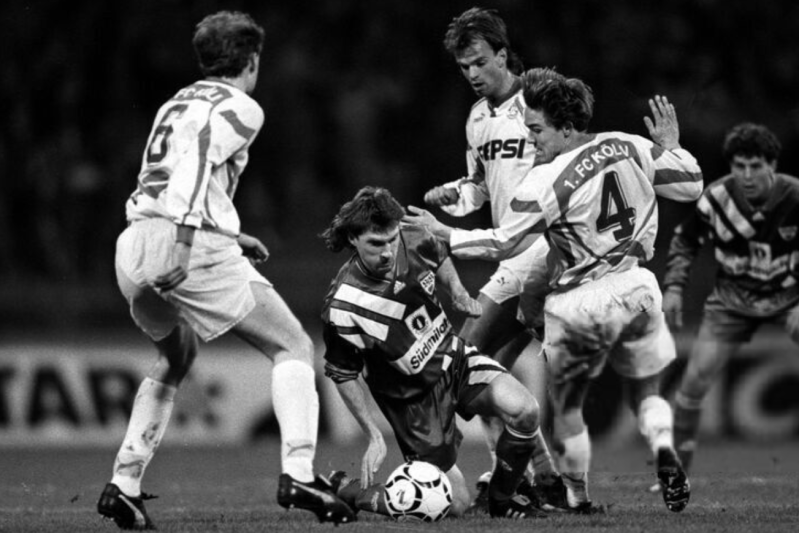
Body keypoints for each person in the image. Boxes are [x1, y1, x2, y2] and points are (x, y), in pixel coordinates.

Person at [96, 11, 355, 529]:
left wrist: (230, 234)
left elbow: (165, 177)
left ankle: (123, 483)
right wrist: (185, 246)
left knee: (177, 355)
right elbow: (193, 168)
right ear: (252, 60)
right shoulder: (242, 106)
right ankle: (299, 473)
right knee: (293, 345)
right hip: (183, 243)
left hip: (134, 243)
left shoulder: (178, 101)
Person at [405, 72, 703, 513]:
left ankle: (575, 497)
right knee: (647, 388)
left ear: (566, 128)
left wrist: (445, 233)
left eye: (537, 129)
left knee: (566, 410)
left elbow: (504, 243)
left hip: (576, 300)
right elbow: (692, 184)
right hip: (638, 285)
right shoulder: (629, 144)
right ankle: (663, 448)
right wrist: (673, 145)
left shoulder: (546, 179)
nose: (531, 139)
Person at [319, 186, 562, 519]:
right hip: (414, 402)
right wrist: (373, 434)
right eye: (376, 244)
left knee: (525, 411)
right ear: (353, 239)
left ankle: (502, 501)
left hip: (453, 357)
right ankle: (350, 490)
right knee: (454, 504)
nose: (388, 252)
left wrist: (458, 292)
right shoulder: (343, 306)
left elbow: (439, 255)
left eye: (391, 240)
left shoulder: (412, 234)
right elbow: (342, 373)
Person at [426, 7, 559, 510]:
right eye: (464, 67)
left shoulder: (540, 101)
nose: (473, 74)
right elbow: (479, 188)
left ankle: (529, 482)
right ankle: (544, 482)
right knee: (484, 378)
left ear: (503, 54)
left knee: (466, 366)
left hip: (546, 250)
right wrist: (453, 195)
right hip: (512, 256)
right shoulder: (478, 118)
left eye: (480, 62)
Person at [660, 122, 799, 480]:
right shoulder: (716, 198)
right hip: (732, 300)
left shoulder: (794, 196)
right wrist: (673, 288)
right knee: (693, 382)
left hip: (789, 296)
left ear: (772, 165)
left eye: (755, 166)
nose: (747, 175)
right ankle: (677, 474)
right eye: (740, 166)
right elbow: (685, 242)